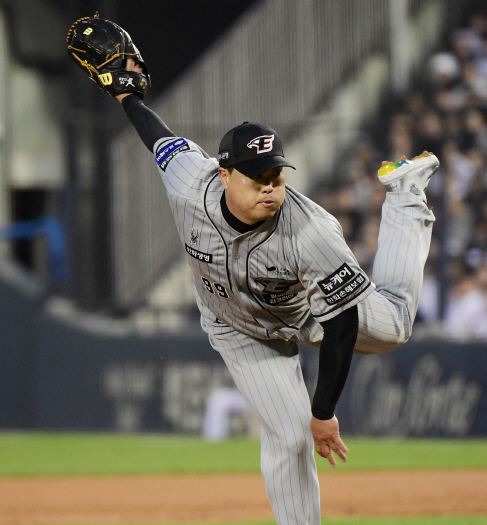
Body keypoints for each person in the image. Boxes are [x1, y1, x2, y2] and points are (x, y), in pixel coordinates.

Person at [69, 18, 439, 523]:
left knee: (395, 327)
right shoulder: (189, 182)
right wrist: (125, 97)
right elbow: (157, 137)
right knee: (289, 439)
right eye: (256, 176)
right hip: (237, 327)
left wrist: (324, 413)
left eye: (276, 176)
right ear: (223, 175)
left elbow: (342, 324)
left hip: (307, 309)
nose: (269, 186)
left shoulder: (312, 230)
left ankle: (405, 191)